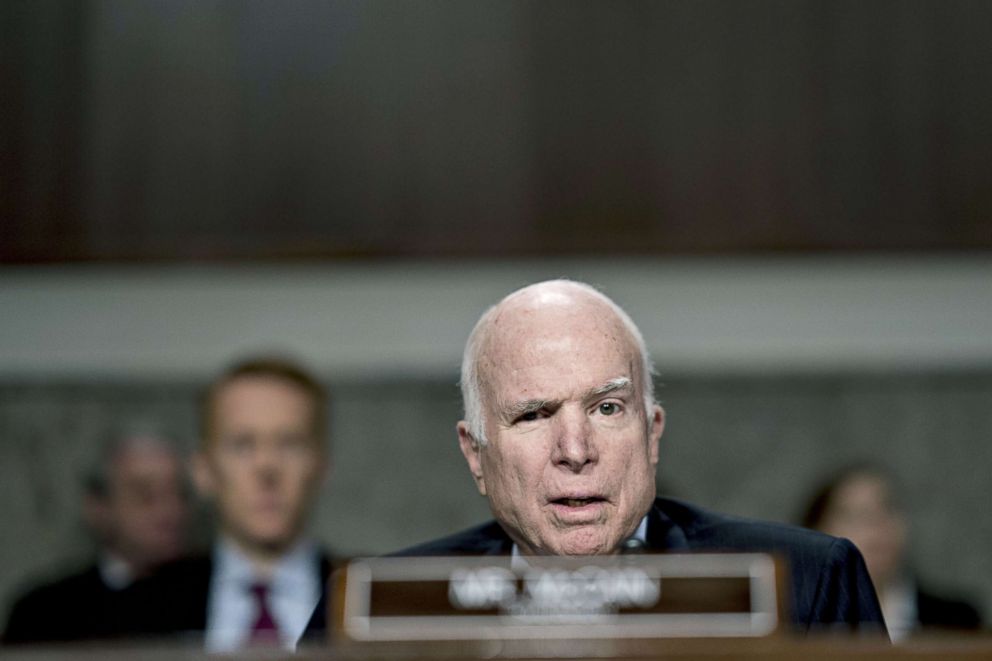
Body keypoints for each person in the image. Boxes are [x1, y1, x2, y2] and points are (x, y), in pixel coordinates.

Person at [305, 279, 886, 637]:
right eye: (532, 415)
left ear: (652, 434)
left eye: (608, 408)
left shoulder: (807, 586)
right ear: (476, 455)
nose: (576, 451)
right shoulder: (375, 613)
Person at [128, 357, 333, 651]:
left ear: (321, 466)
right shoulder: (138, 608)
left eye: (290, 443)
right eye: (243, 444)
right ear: (203, 470)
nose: (267, 466)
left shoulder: (370, 601)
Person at [3, 427, 188, 644]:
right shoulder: (44, 611)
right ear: (98, 507)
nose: (169, 511)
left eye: (180, 494)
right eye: (145, 495)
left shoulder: (216, 597)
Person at [802, 464, 983, 641]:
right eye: (855, 514)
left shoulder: (957, 621)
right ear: (816, 533)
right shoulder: (796, 624)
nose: (877, 523)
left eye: (888, 508)